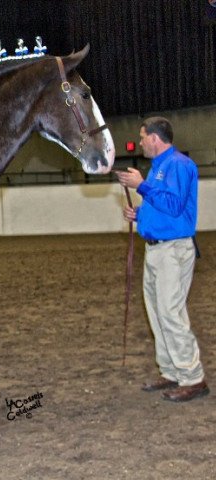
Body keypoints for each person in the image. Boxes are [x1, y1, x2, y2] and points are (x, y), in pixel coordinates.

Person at [115, 116, 209, 402]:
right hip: (157, 249)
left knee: (170, 312)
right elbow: (162, 207)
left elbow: (174, 204)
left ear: (155, 138)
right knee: (157, 312)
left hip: (173, 250)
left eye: (143, 136)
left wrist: (141, 186)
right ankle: (171, 371)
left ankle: (193, 378)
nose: (140, 141)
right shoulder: (159, 167)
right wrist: (140, 214)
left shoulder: (179, 165)